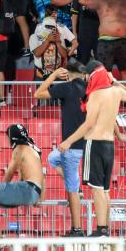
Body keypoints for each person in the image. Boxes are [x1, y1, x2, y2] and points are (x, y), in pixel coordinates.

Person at [58, 62, 126, 237]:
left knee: (96, 189)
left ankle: (101, 229)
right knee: (105, 190)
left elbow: (88, 124)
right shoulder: (115, 92)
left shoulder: (95, 95)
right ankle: (104, 229)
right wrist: (115, 81)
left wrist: (68, 141)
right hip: (109, 145)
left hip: (94, 144)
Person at [33, 61, 87, 236]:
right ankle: (77, 186)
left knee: (71, 190)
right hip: (89, 143)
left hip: (71, 146)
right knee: (52, 158)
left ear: (68, 74)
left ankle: (77, 229)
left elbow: (38, 94)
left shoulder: (67, 87)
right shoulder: (91, 89)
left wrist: (54, 76)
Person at [0, 124, 43, 238]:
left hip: (29, 189)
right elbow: (42, 177)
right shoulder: (32, 149)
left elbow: (10, 173)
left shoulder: (19, 148)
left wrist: (0, 189)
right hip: (35, 191)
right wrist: (40, 198)